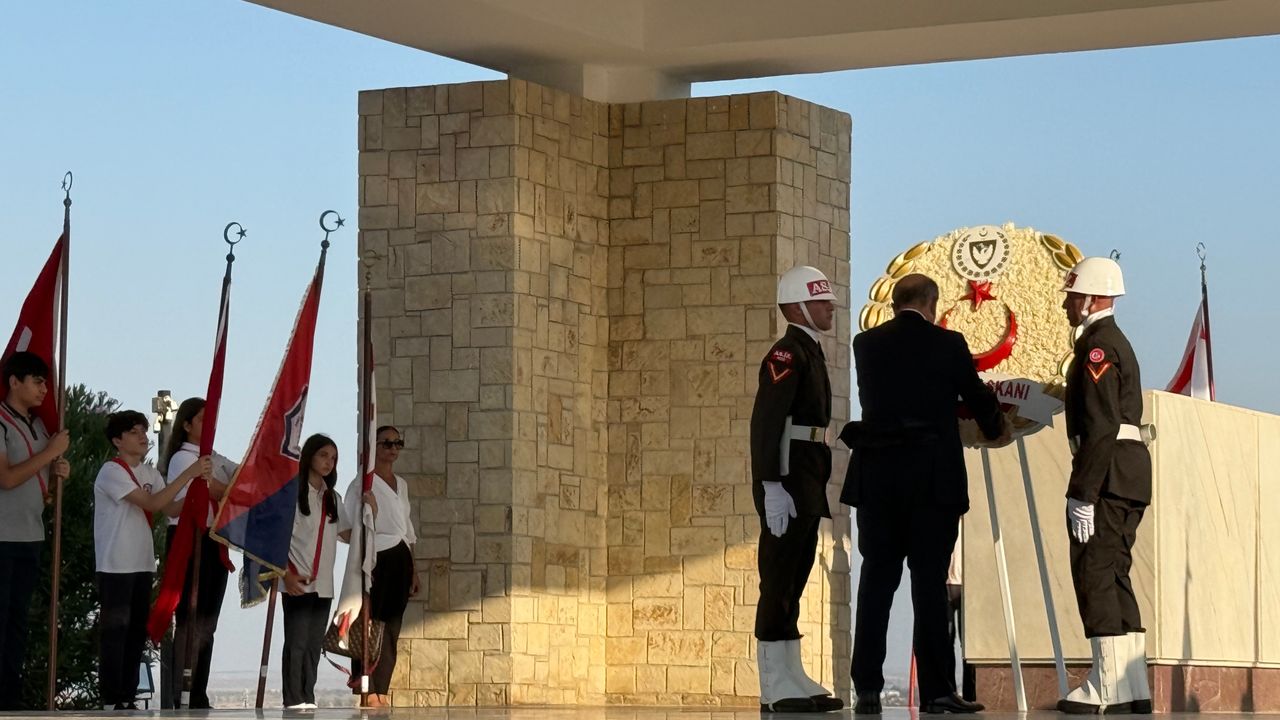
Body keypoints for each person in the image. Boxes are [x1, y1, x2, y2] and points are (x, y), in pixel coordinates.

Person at [842, 273, 1007, 714]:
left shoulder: (866, 345)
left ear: (895, 304)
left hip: (878, 480)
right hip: (931, 482)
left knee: (877, 582)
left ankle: (868, 689)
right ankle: (936, 691)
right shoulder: (948, 345)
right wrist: (996, 427)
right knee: (929, 585)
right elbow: (975, 396)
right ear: (931, 304)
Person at [1057, 257, 1152, 714]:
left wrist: (1083, 493)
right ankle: (1132, 685)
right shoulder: (1112, 343)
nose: (1067, 303)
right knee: (1115, 574)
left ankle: (1107, 687)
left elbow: (1100, 426)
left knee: (1094, 571)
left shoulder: (1098, 347)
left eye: (1073, 295)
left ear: (1092, 297)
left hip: (1108, 474)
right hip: (1127, 473)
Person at [750, 265, 843, 714]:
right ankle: (772, 680)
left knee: (796, 576)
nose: (831, 309)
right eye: (823, 302)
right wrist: (771, 484)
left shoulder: (810, 351)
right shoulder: (786, 354)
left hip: (805, 477)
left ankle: (792, 671)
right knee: (779, 580)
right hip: (787, 479)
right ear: (798, 307)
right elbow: (768, 423)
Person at [94, 410, 210, 711]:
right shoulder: (112, 471)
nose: (143, 436)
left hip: (143, 562)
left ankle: (128, 696)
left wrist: (200, 491)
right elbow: (152, 503)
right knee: (115, 631)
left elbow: (170, 508)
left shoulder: (150, 473)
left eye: (145, 430)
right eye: (135, 432)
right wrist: (190, 473)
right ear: (118, 440)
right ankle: (111, 698)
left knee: (135, 632)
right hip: (115, 564)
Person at [0, 350, 70, 710]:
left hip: (30, 535)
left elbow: (38, 486)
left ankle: (10, 701)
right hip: (2, 537)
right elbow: (8, 477)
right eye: (38, 381)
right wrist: (51, 453)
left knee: (17, 625)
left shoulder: (40, 426)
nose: (45, 388)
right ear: (15, 382)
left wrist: (57, 474)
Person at [160, 396, 238, 709]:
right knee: (191, 620)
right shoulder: (184, 458)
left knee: (207, 623)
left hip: (212, 539)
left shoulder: (212, 457)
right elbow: (218, 490)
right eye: (204, 419)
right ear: (188, 424)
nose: (211, 425)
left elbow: (241, 478)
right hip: (190, 538)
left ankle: (198, 691)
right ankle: (185, 690)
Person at [339, 425, 418, 708]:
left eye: (398, 443)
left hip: (400, 557)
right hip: (377, 558)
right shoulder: (362, 483)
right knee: (371, 623)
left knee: (392, 627)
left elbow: (406, 529)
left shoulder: (402, 484)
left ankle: (382, 688)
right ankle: (367, 687)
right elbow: (346, 528)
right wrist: (368, 539)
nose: (393, 449)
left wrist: (414, 569)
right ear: (375, 447)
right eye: (387, 443)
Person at [281, 434, 348, 710]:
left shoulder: (333, 498)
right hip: (298, 579)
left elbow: (347, 533)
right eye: (323, 455)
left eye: (333, 458)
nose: (328, 462)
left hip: (324, 584)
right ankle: (293, 698)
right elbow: (277, 537)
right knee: (296, 642)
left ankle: (308, 695)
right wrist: (284, 574)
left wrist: (370, 514)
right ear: (309, 456)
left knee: (312, 645)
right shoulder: (292, 494)